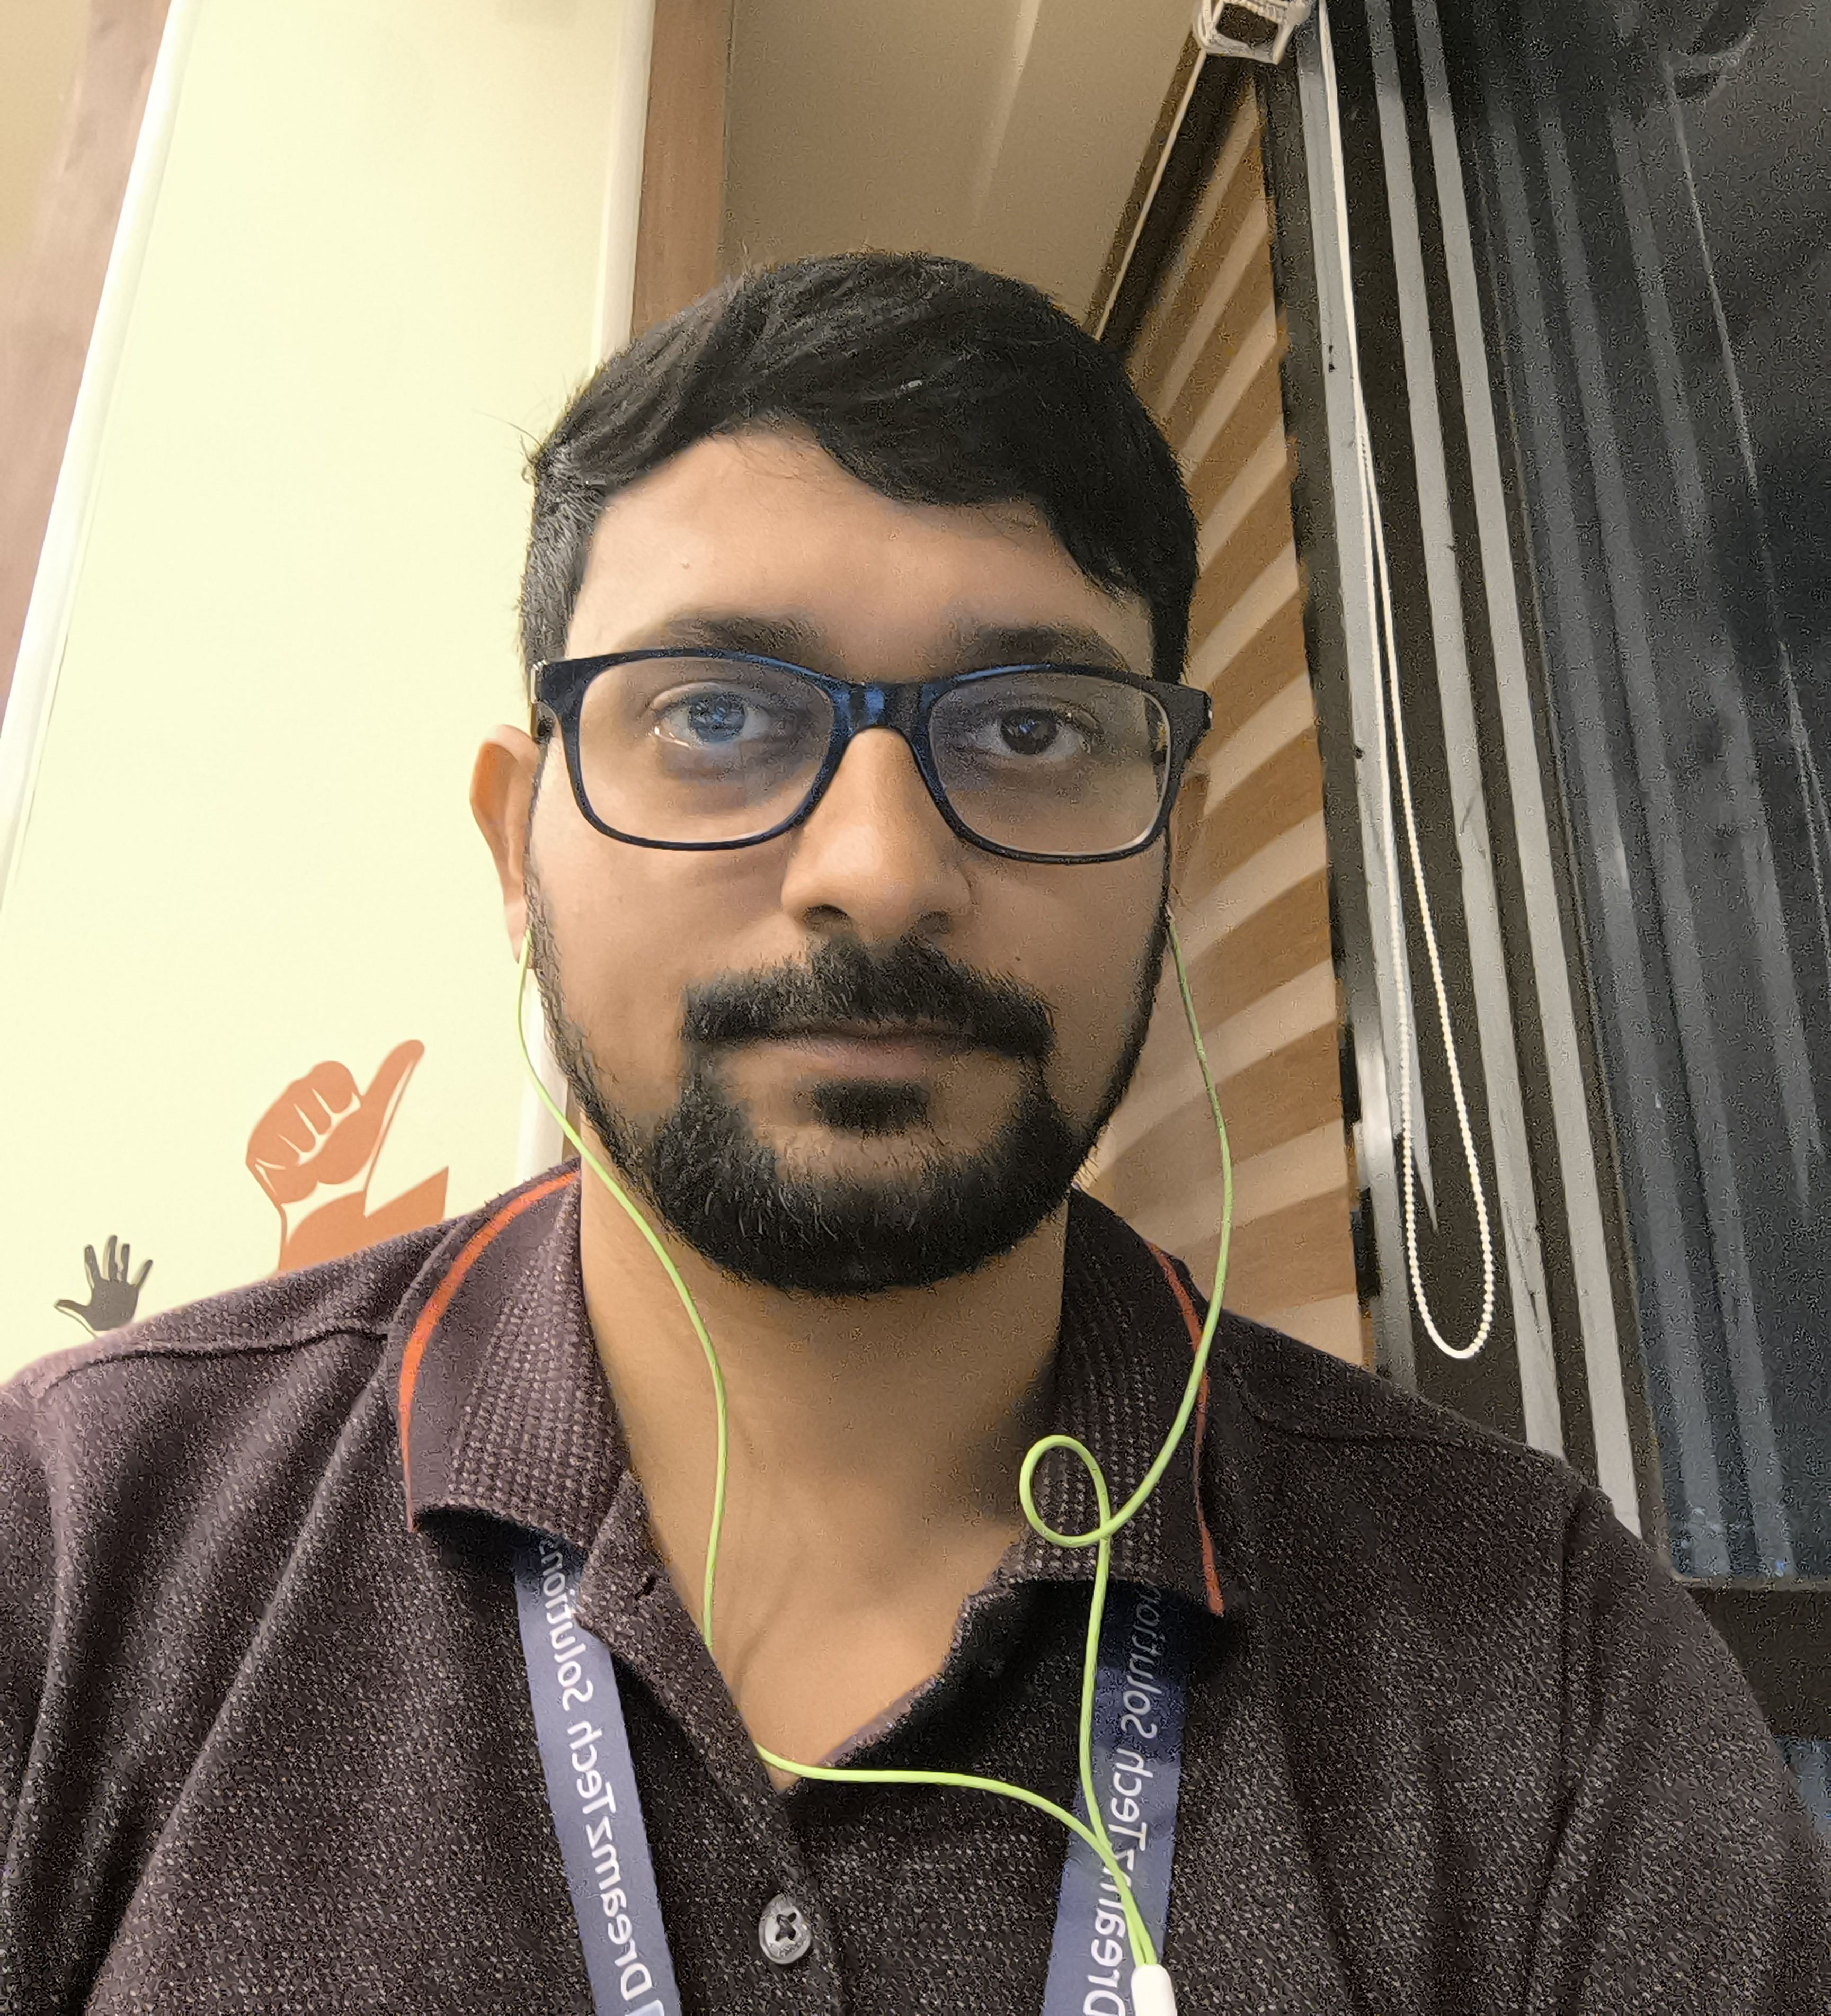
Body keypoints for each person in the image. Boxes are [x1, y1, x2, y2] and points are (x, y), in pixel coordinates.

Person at [1, 254, 1825, 2013]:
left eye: (1030, 727)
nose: (878, 870)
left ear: (1171, 851)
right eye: (716, 714)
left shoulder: (1543, 1658)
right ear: (516, 844)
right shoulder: (76, 1544)